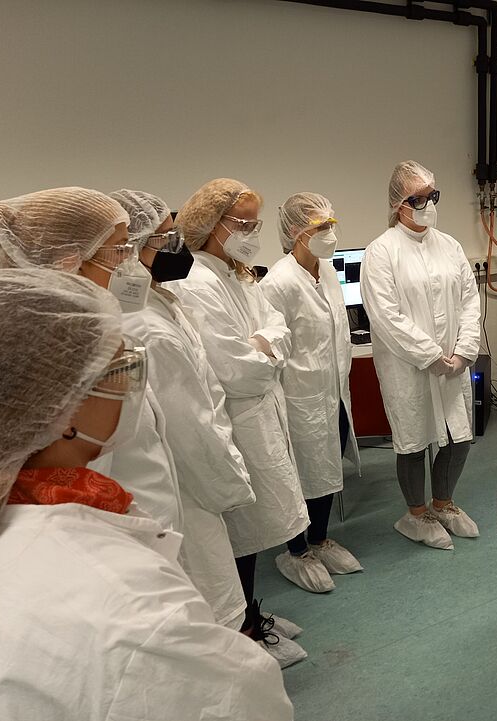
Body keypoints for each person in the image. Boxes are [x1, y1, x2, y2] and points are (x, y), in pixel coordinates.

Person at [0, 268, 293, 720]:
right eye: (119, 370)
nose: (131, 384)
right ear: (60, 409)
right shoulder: (128, 606)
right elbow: (241, 702)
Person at [108, 190, 303, 659]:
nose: (176, 245)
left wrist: (264, 345)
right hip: (193, 470)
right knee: (213, 570)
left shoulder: (164, 298)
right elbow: (225, 378)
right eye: (164, 236)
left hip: (216, 443)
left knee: (229, 556)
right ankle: (242, 642)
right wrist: (227, 476)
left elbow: (274, 330)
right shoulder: (151, 321)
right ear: (129, 248)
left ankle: (247, 624)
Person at [0, 188, 183, 534]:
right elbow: (79, 470)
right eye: (120, 249)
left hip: (139, 516)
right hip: (106, 529)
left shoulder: (94, 332)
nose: (130, 261)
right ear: (69, 261)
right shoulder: (62, 355)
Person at [168, 179, 310, 653]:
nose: (252, 232)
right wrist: (267, 352)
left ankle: (250, 610)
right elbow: (236, 370)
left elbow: (277, 326)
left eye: (255, 223)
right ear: (211, 224)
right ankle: (245, 629)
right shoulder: (196, 281)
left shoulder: (239, 273)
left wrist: (264, 346)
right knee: (240, 527)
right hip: (236, 418)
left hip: (261, 410)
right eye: (243, 224)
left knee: (254, 523)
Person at [361, 161, 481, 550]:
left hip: (454, 364)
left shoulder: (450, 246)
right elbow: (385, 316)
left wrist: (464, 351)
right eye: (418, 199)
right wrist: (429, 355)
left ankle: (442, 503)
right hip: (408, 366)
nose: (428, 204)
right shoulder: (381, 252)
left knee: (458, 436)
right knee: (413, 441)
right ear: (399, 204)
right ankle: (415, 514)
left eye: (433, 196)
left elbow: (469, 301)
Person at [262, 193, 363, 593]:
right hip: (298, 396)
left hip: (333, 391)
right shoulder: (278, 283)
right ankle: (296, 550)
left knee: (327, 466)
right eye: (321, 227)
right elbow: (274, 346)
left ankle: (320, 539)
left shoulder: (326, 271)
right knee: (300, 473)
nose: (330, 233)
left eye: (331, 225)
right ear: (295, 232)